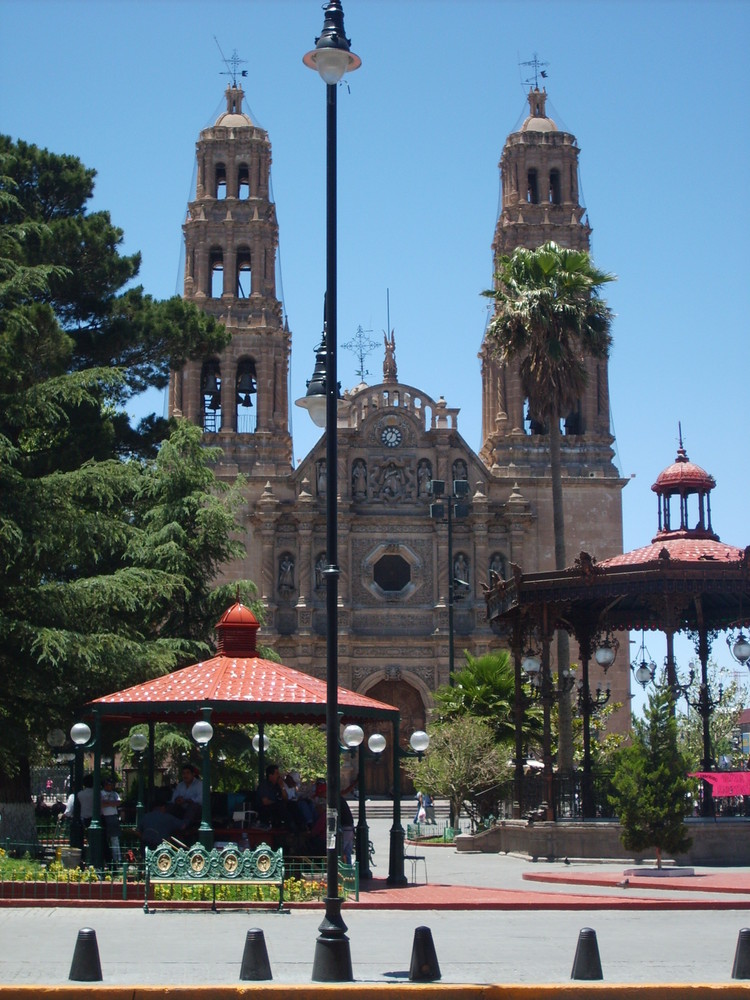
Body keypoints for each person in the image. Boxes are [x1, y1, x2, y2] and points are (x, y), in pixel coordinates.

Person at [101, 776, 122, 864]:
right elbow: (101, 804)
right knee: (104, 839)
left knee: (115, 839)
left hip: (113, 817)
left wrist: (107, 803)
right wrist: (111, 803)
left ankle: (117, 858)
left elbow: (118, 802)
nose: (111, 786)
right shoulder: (100, 793)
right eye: (109, 784)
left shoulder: (115, 794)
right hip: (104, 817)